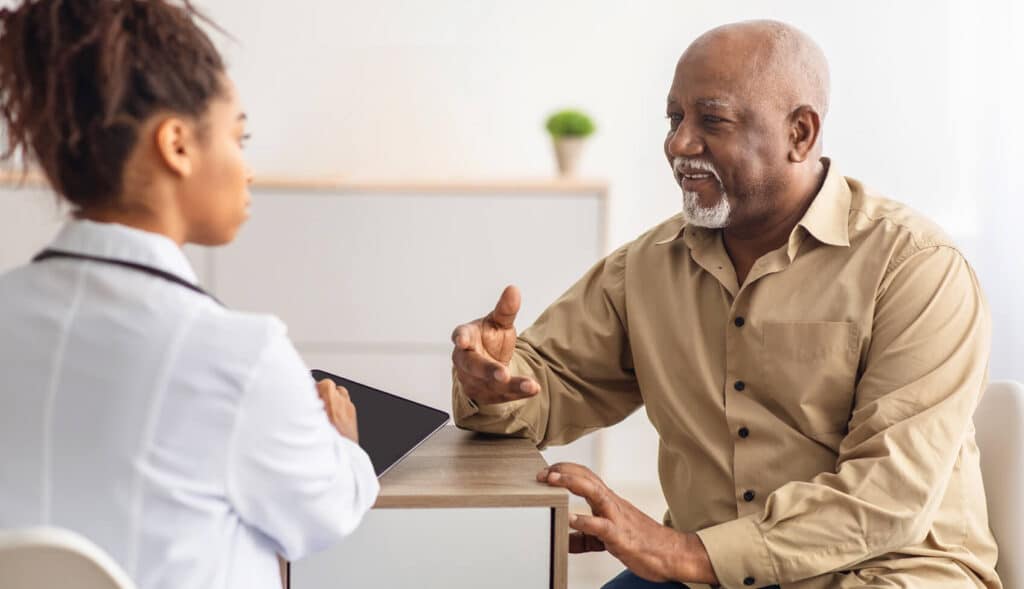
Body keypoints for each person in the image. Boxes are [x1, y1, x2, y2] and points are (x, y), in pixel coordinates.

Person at [450, 19, 999, 589]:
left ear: (801, 134)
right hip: (700, 571)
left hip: (883, 573)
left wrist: (689, 555)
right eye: (674, 118)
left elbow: (888, 495)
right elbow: (551, 382)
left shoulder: (916, 267)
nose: (679, 143)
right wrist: (493, 382)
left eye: (711, 120)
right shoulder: (648, 265)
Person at [0, 2, 378, 588]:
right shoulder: (237, 354)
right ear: (176, 144)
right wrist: (345, 446)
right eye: (239, 136)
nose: (247, 169)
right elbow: (323, 517)